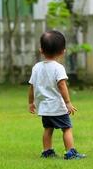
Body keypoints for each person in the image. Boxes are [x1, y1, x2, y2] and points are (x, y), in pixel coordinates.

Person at [28, 30, 86, 160]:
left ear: (41, 50)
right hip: (57, 107)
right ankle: (70, 152)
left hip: (44, 107)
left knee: (48, 129)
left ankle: (47, 151)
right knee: (67, 128)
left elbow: (32, 86)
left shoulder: (36, 67)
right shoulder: (58, 68)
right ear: (62, 51)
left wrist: (30, 103)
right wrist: (68, 102)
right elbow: (62, 86)